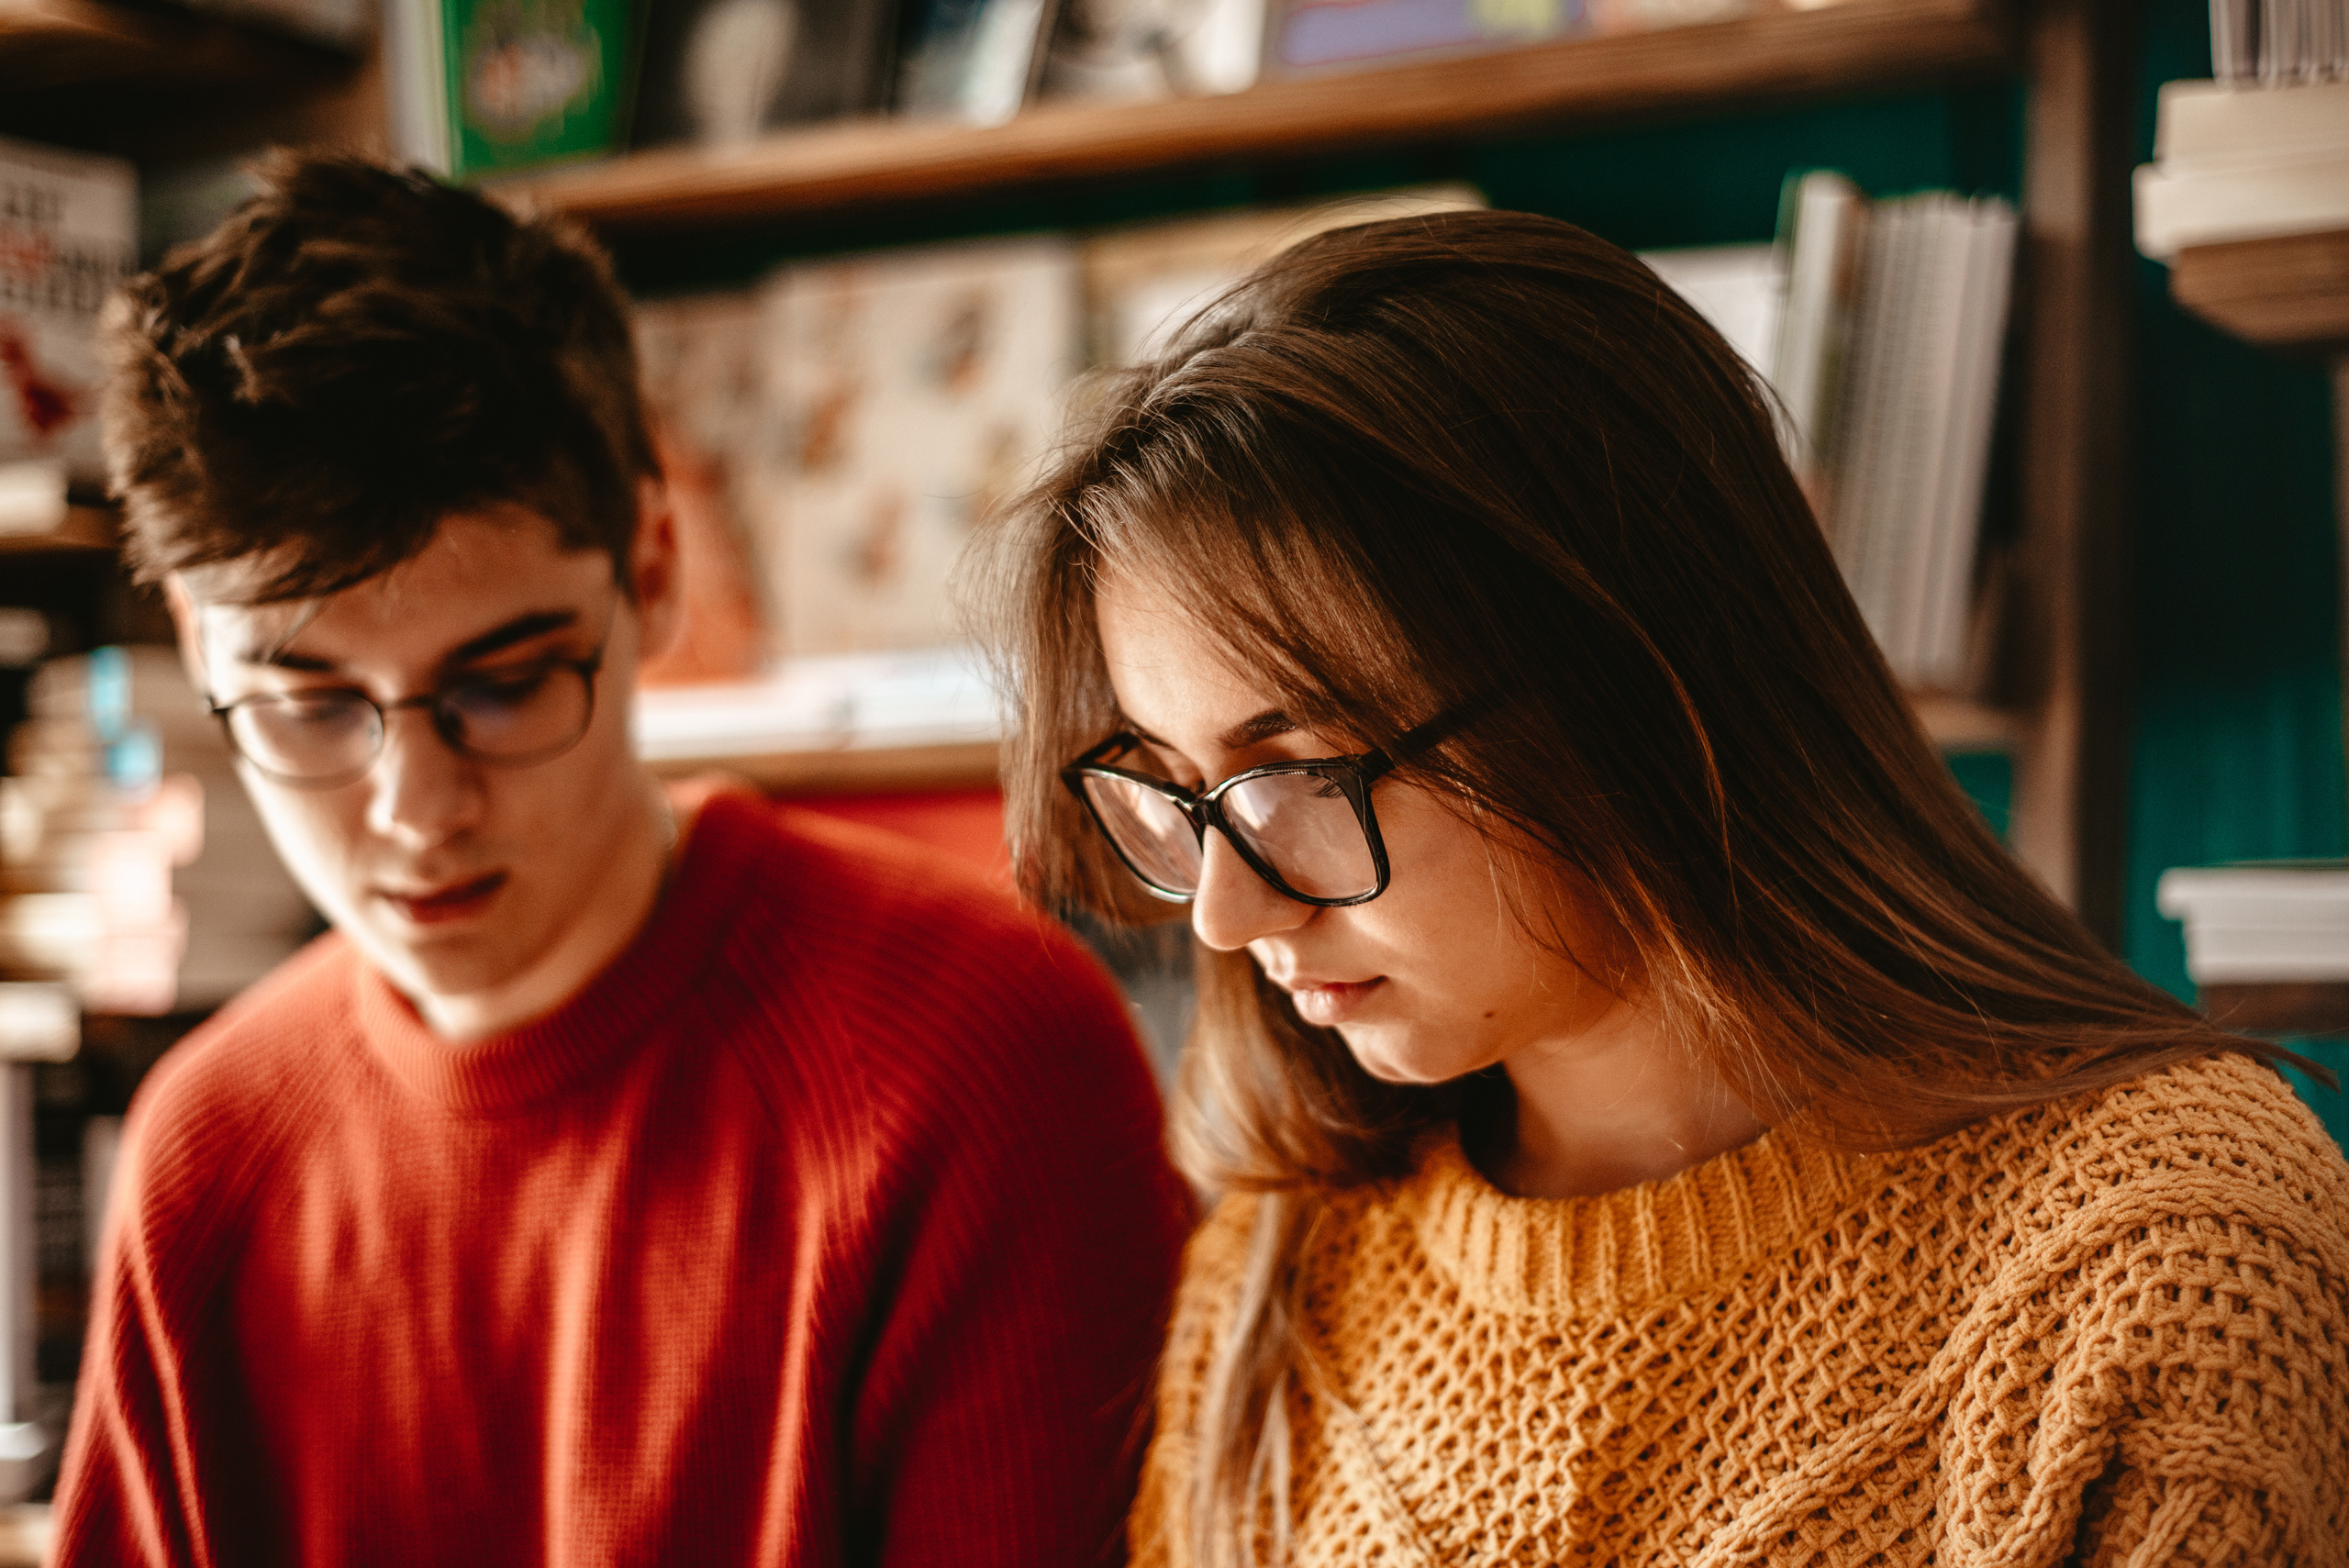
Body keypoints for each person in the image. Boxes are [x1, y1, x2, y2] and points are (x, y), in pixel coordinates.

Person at [974, 210, 2349, 1567]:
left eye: (1300, 777)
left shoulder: (2169, 1261)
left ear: (1622, 689)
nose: (1225, 911)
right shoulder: (1287, 1262)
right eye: (1172, 789)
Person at [52, 152, 1193, 1567]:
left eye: (505, 684)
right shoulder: (205, 1154)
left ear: (652, 567)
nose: (416, 806)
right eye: (309, 707)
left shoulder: (980, 1058)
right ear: (188, 641)